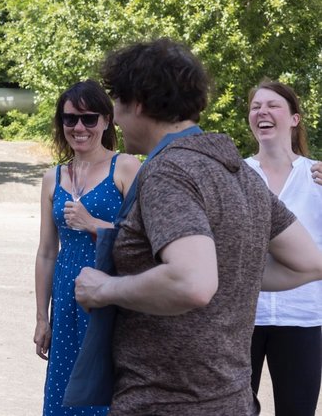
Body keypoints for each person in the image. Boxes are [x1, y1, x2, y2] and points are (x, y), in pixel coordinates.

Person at [73, 38, 322, 415]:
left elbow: (192, 283)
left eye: (118, 106)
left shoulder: (168, 171)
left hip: (166, 401)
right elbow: (309, 262)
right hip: (231, 401)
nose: (117, 120)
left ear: (138, 102)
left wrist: (106, 288)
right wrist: (230, 273)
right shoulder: (239, 173)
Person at [33, 80, 139, 415]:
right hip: (66, 298)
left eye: (89, 119)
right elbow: (47, 251)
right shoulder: (54, 177)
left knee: (107, 395)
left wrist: (93, 224)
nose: (79, 127)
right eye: (70, 119)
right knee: (66, 392)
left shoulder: (125, 167)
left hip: (112, 296)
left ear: (107, 121)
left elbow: (146, 241)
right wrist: (41, 318)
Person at [245, 80, 322, 416]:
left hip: (303, 317)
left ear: (294, 119)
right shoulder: (236, 176)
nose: (262, 111)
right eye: (255, 106)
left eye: (273, 105)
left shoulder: (316, 176)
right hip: (242, 317)